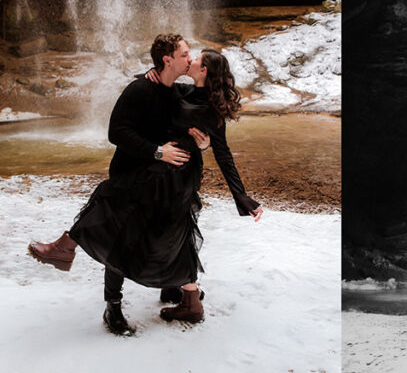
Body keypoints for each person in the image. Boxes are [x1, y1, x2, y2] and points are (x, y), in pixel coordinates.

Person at [28, 36, 262, 335]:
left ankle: (181, 294)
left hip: (174, 180)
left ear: (204, 71)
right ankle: (122, 299)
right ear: (167, 60)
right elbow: (126, 126)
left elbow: (222, 150)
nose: (190, 60)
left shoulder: (203, 103)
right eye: (185, 55)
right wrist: (148, 79)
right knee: (128, 229)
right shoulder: (172, 89)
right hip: (149, 174)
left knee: (170, 234)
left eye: (194, 58)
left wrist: (238, 193)